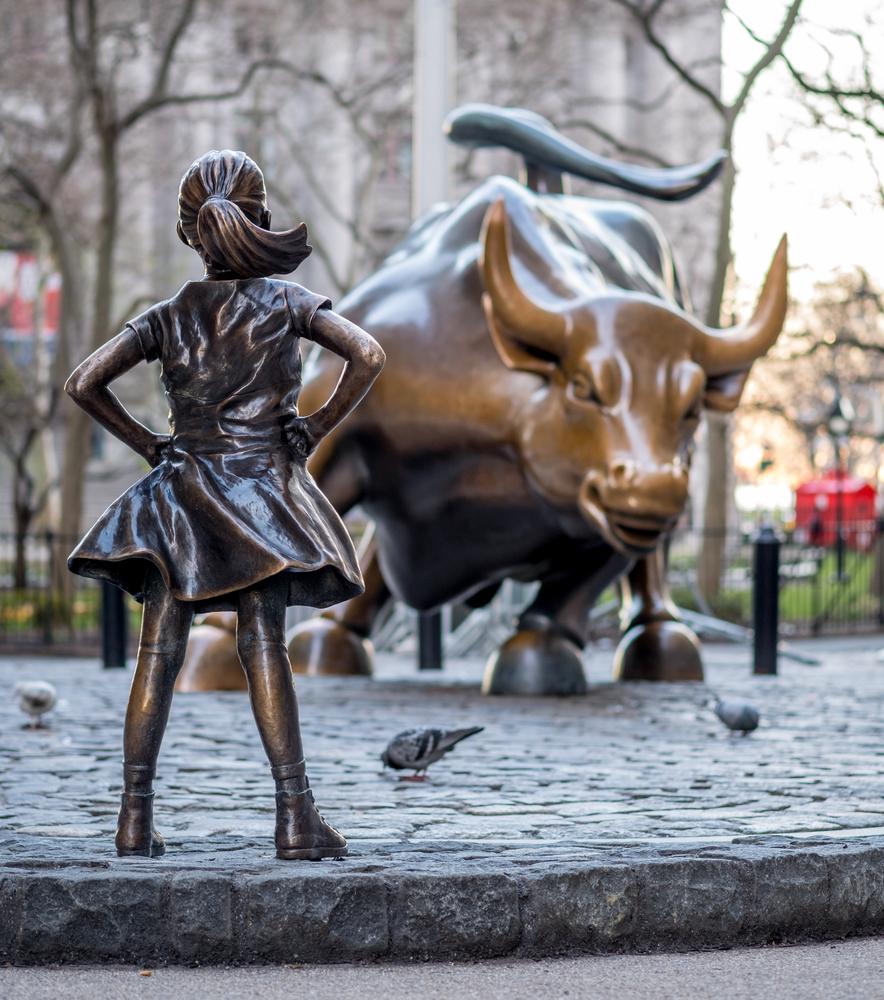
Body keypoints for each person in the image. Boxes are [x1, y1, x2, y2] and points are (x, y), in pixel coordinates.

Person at [65, 150, 384, 860]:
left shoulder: (167, 316)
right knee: (263, 646)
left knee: (159, 652)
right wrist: (315, 426)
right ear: (259, 218)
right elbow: (366, 354)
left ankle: (134, 819)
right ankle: (295, 817)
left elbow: (84, 382)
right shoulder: (288, 305)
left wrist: (151, 444)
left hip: (180, 492)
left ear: (189, 232)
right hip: (260, 496)